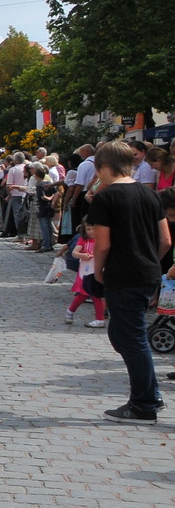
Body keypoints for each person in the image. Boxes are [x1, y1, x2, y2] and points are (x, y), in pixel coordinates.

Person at [87, 139, 168, 423]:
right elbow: (166, 240)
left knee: (132, 339)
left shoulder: (106, 198)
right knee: (122, 335)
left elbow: (103, 245)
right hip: (147, 273)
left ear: (102, 167)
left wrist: (98, 272)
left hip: (122, 275)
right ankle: (149, 393)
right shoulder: (150, 195)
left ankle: (145, 403)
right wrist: (150, 261)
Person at [64, 221, 106, 328]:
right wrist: (82, 255)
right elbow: (74, 253)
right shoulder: (83, 240)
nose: (91, 232)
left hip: (98, 271)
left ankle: (100, 318)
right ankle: (70, 311)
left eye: (94, 229)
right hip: (86, 271)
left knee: (97, 294)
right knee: (82, 295)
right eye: (88, 229)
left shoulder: (103, 240)